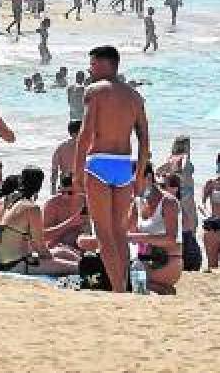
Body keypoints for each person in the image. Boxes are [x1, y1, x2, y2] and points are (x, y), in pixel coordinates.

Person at [73, 45, 150, 294]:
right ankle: (124, 286)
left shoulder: (95, 92)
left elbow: (85, 134)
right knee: (119, 233)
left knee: (104, 233)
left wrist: (76, 171)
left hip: (98, 162)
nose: (90, 69)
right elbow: (145, 139)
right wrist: (138, 175)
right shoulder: (135, 97)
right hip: (123, 164)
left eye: (93, 64)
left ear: (107, 64)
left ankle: (118, 289)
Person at [0, 167, 78, 275]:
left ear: (21, 181)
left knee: (63, 252)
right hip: (19, 264)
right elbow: (40, 247)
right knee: (75, 267)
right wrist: (52, 261)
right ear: (39, 187)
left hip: (2, 263)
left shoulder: (1, 202)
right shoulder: (31, 208)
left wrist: (1, 247)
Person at [127, 169, 184, 294]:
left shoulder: (169, 202)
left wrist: (140, 237)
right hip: (144, 260)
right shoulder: (137, 202)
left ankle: (153, 286)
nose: (131, 186)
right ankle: (155, 287)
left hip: (167, 261)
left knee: (128, 280)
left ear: (148, 177)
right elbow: (128, 234)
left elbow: (171, 239)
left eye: (133, 181)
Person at [158, 135, 202, 271]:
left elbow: (159, 171)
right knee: (191, 226)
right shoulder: (184, 157)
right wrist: (181, 171)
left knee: (178, 226)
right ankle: (188, 257)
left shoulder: (170, 158)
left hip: (177, 194)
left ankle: (177, 257)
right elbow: (183, 166)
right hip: (187, 195)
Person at [43, 172, 89, 256]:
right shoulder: (52, 204)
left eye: (70, 193)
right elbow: (43, 236)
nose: (65, 196)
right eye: (62, 192)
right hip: (58, 246)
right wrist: (69, 223)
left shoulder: (86, 203)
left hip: (81, 246)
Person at [50, 120, 81, 194]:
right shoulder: (87, 147)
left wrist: (53, 190)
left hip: (65, 186)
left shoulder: (61, 148)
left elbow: (54, 171)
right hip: (81, 185)